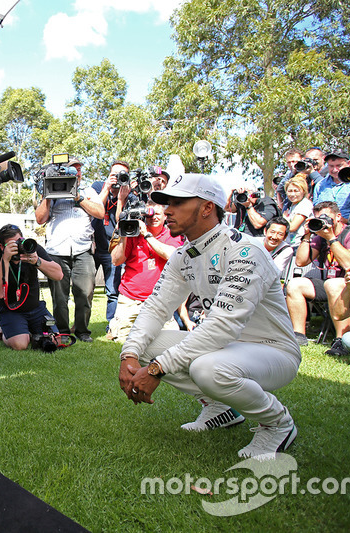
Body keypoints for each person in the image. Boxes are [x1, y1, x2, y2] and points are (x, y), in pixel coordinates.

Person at [118, 172, 301, 459]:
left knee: (208, 368)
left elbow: (222, 327)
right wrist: (129, 355)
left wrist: (158, 368)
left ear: (206, 208)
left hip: (272, 351)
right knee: (146, 345)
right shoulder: (183, 255)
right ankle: (220, 408)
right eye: (167, 203)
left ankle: (278, 423)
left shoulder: (245, 250)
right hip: (224, 348)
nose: (167, 210)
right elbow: (156, 307)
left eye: (177, 202)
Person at [285, 201, 350, 351]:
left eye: (326, 217)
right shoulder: (320, 236)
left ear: (338, 217)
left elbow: (349, 263)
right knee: (295, 284)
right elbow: (300, 261)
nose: (323, 221)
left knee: (334, 284)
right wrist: (307, 236)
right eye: (319, 218)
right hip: (330, 282)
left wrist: (332, 238)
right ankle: (298, 335)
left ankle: (341, 340)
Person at [35, 157, 104, 342]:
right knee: (59, 296)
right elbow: (40, 219)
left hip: (83, 250)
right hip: (57, 250)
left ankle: (82, 331)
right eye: (73, 169)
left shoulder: (88, 191)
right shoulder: (51, 189)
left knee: (85, 293)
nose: (78, 172)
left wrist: (78, 198)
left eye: (79, 169)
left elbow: (100, 213)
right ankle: (63, 331)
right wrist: (48, 196)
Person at [106, 202, 183, 343]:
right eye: (148, 215)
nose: (152, 218)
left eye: (157, 214)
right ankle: (114, 327)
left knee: (170, 340)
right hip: (131, 298)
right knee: (122, 340)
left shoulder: (171, 234)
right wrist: (123, 234)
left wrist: (147, 235)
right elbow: (116, 261)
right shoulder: (133, 233)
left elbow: (171, 255)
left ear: (165, 216)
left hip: (160, 299)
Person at [0, 224, 63, 350]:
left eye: (19, 241)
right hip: (9, 309)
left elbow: (59, 275)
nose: (18, 247)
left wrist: (37, 261)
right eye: (12, 245)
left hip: (34, 307)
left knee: (55, 340)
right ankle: (6, 331)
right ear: (2, 247)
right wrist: (5, 260)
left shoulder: (32, 248)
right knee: (20, 344)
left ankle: (26, 330)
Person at [91, 160, 131, 325]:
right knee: (84, 289)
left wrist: (121, 199)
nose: (117, 178)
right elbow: (94, 211)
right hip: (92, 247)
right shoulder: (98, 186)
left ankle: (111, 325)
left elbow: (121, 223)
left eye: (122, 175)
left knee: (112, 291)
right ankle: (79, 325)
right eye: (114, 174)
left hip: (112, 249)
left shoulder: (129, 195)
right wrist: (107, 188)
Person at [312, 149, 350, 221]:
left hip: (348, 228)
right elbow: (315, 209)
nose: (335, 170)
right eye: (331, 166)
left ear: (349, 163)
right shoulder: (320, 185)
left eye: (339, 166)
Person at [282, 175, 313, 247]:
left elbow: (292, 227)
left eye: (296, 191)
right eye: (290, 191)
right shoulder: (293, 205)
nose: (292, 194)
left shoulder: (304, 204)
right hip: (291, 244)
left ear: (303, 192)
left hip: (300, 245)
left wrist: (284, 218)